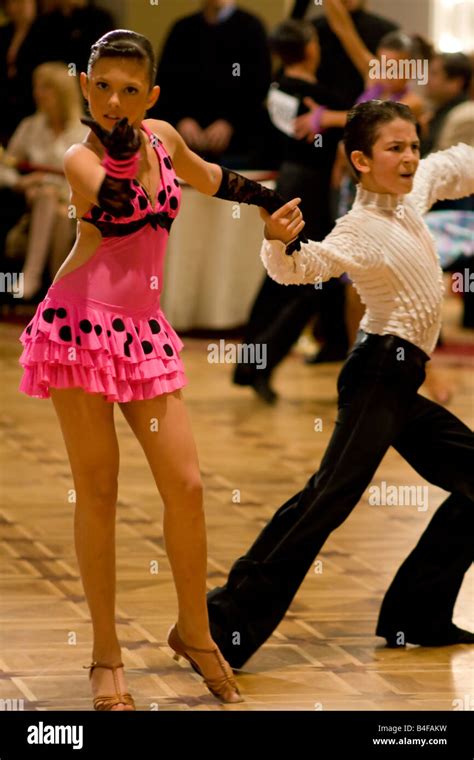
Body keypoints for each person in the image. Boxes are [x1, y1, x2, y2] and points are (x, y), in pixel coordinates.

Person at [17, 29, 299, 709]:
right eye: (103, 88)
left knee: (189, 486)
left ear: (152, 95)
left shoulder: (165, 136)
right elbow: (119, 214)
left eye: (130, 91)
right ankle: (105, 655)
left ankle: (195, 631)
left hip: (144, 333)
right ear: (85, 86)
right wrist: (123, 148)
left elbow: (209, 178)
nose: (115, 102)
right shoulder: (78, 160)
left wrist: (269, 206)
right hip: (79, 329)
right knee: (101, 492)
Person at [206, 100, 474, 670]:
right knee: (329, 497)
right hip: (378, 372)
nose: (409, 157)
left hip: (400, 378)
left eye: (412, 145)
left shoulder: (413, 191)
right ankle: (224, 619)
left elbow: (456, 164)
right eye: (394, 149)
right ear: (360, 160)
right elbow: (304, 267)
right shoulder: (359, 229)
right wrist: (278, 242)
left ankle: (416, 614)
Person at [233, 20, 348, 404]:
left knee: (290, 278)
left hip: (289, 185)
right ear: (312, 48)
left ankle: (257, 361)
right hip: (308, 191)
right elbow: (365, 116)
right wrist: (333, 117)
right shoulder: (318, 96)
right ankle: (258, 365)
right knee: (302, 280)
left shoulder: (274, 91)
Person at [0, 61, 87, 300]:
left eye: (45, 87)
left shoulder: (83, 131)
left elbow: (92, 176)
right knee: (47, 197)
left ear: (62, 93)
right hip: (34, 201)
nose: (38, 93)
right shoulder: (30, 126)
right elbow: (5, 166)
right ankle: (56, 291)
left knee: (60, 213)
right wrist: (22, 183)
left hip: (71, 206)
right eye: (37, 86)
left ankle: (35, 279)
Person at [150, 0, 271, 169]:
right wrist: (181, 119)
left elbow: (259, 86)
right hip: (185, 142)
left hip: (239, 146)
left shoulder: (251, 28)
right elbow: (165, 84)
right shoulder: (182, 29)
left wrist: (230, 122)